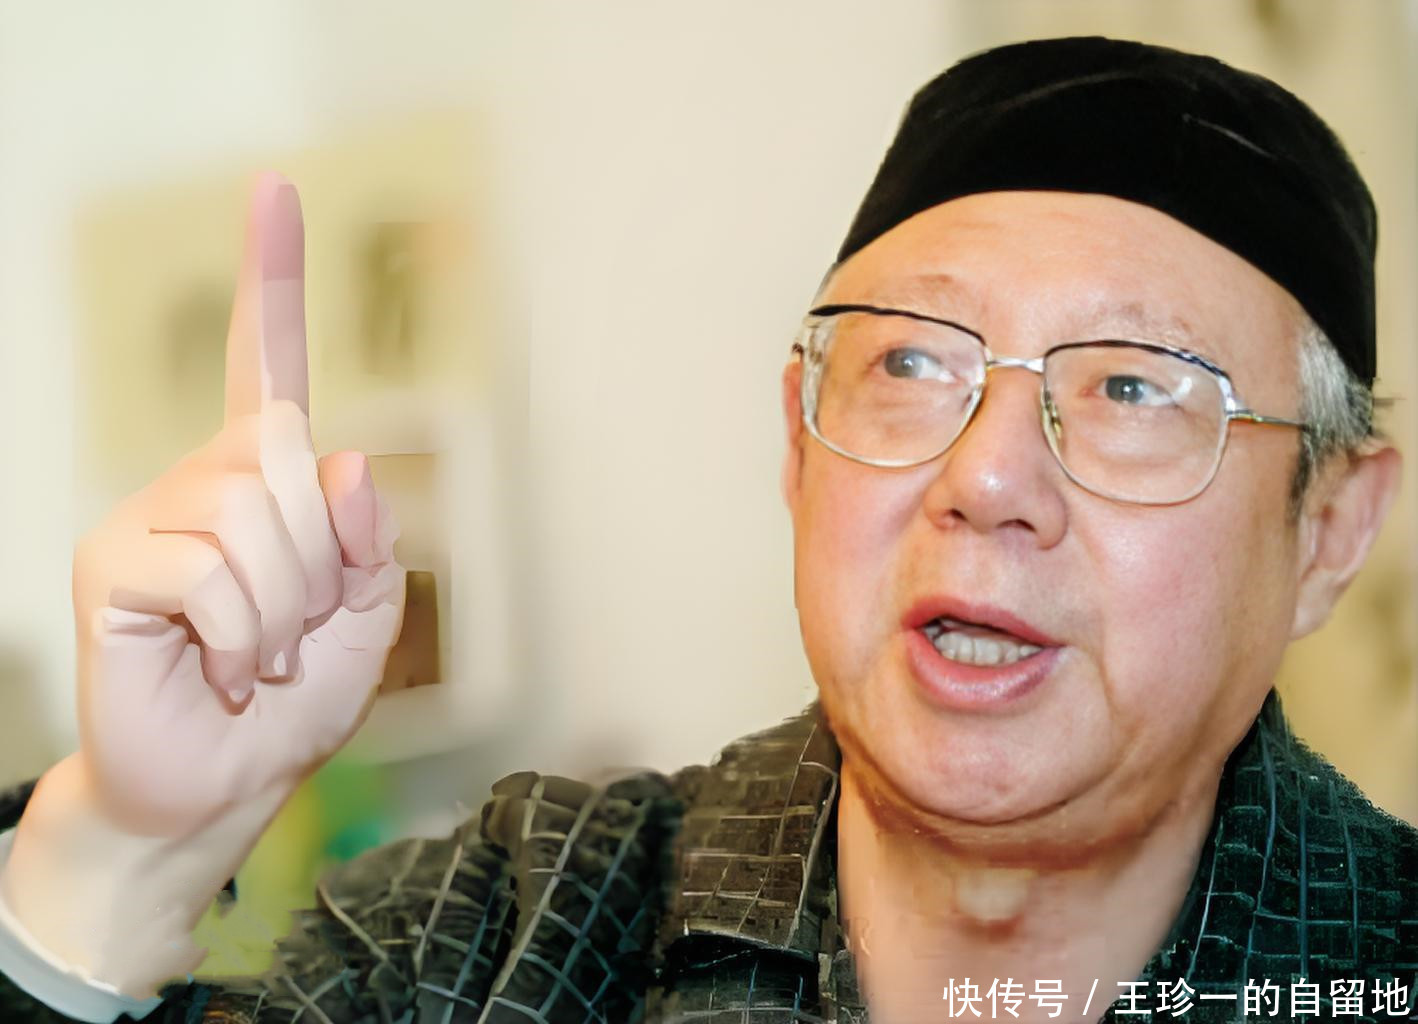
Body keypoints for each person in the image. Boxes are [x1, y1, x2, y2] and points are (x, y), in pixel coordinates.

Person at [0, 34, 1414, 1024]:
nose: (986, 478)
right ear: (796, 444)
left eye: (1130, 388)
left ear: (1331, 530)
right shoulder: (488, 941)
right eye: (910, 363)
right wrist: (116, 860)